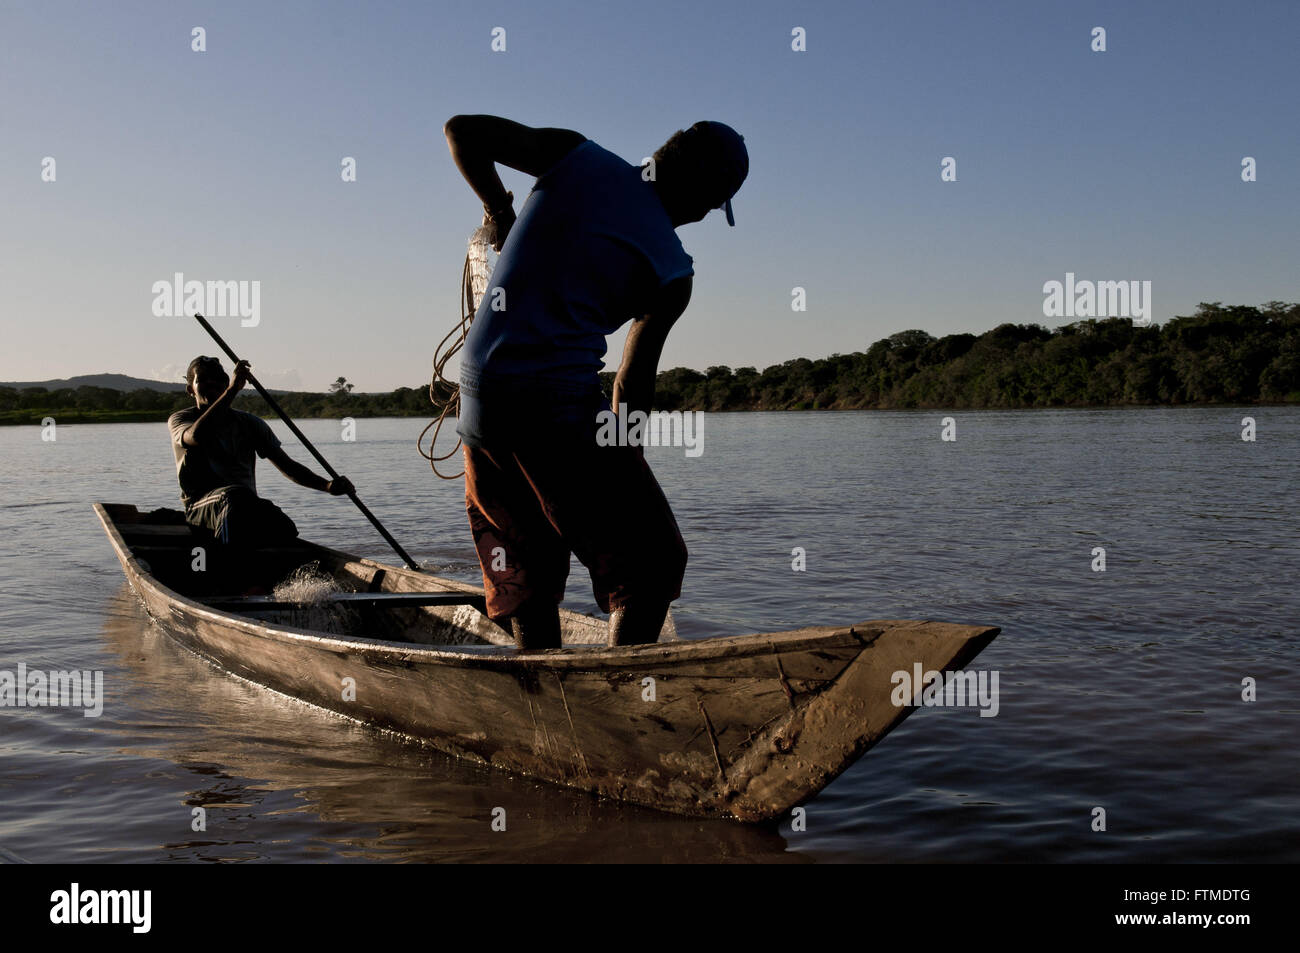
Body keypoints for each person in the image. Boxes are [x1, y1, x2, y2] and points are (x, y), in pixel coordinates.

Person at [443, 114, 748, 649]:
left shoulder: (575, 157)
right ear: (706, 196)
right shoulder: (674, 272)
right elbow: (631, 383)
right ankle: (622, 695)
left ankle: (538, 684)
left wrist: (499, 209)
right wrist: (624, 462)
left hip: (478, 399)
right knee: (651, 563)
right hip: (553, 405)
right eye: (709, 204)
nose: (698, 216)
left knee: (526, 566)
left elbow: (462, 131)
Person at [168, 355, 353, 547]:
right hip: (200, 508)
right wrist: (232, 390)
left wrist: (327, 486)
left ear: (225, 382)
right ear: (191, 389)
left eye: (218, 378)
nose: (211, 383)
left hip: (244, 505)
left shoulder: (249, 423)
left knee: (284, 527)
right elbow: (197, 436)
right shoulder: (181, 419)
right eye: (203, 379)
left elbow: (287, 466)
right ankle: (224, 567)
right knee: (233, 497)